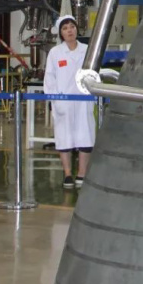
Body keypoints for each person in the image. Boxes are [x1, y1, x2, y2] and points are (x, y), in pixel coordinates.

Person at [43, 15, 95, 190]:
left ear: (77, 29)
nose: (69, 30)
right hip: (63, 101)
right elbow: (49, 78)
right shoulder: (55, 53)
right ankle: (67, 174)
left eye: (72, 27)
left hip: (84, 100)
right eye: (65, 28)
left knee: (85, 135)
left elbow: (94, 72)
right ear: (61, 33)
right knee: (64, 137)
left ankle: (82, 173)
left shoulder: (87, 50)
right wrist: (54, 100)